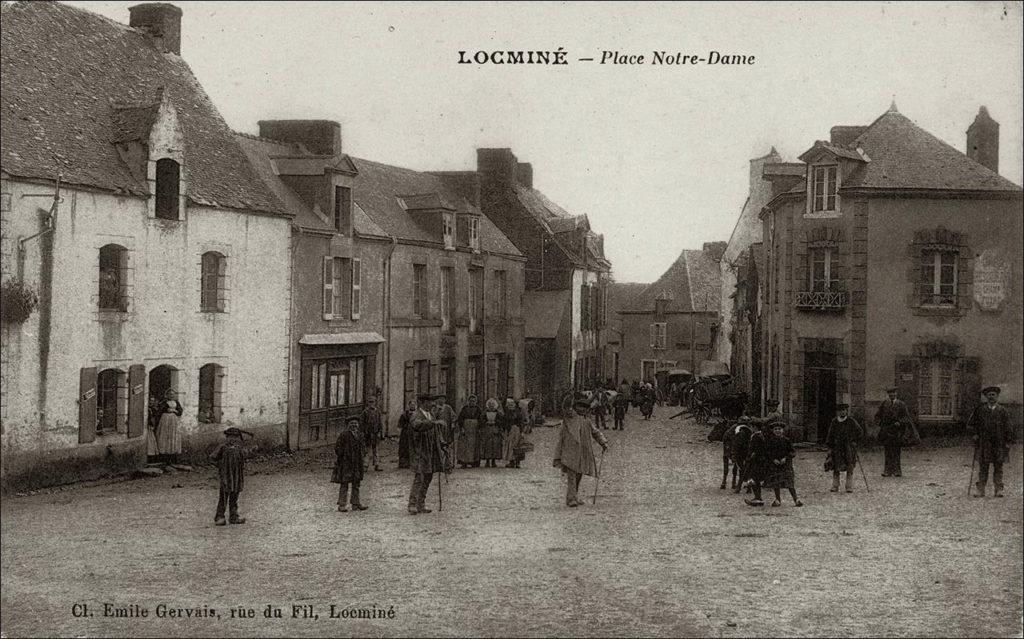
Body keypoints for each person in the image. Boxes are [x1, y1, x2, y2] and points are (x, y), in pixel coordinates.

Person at [552, 397, 608, 507]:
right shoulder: (569, 418)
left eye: (585, 408)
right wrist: (568, 398)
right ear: (576, 407)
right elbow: (565, 408)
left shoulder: (586, 421)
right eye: (580, 407)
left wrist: (603, 443)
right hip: (570, 451)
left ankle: (574, 496)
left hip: (582, 452)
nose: (583, 409)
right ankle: (571, 498)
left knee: (578, 475)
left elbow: (595, 432)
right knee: (572, 475)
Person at [407, 394, 450, 515]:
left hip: (432, 451)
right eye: (430, 402)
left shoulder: (431, 415)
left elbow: (436, 433)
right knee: (419, 477)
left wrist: (443, 444)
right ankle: (412, 504)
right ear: (422, 403)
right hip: (420, 451)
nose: (432, 404)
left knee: (428, 477)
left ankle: (421, 504)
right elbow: (417, 425)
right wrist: (433, 423)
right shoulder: (416, 415)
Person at [968, 385, 1013, 498]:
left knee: (998, 467)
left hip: (999, 443)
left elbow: (1009, 427)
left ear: (997, 396)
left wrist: (1008, 441)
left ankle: (998, 490)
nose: (991, 397)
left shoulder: (1003, 411)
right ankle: (980, 490)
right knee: (983, 467)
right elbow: (970, 425)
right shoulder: (980, 410)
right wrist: (975, 434)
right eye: (989, 395)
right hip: (984, 443)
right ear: (986, 397)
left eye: (993, 395)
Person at [210, 427, 246, 525]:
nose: (233, 439)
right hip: (226, 476)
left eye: (235, 437)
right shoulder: (223, 447)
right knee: (224, 497)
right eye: (230, 437)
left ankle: (233, 516)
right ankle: (219, 517)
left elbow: (244, 459)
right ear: (227, 437)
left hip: (237, 476)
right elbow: (212, 458)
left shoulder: (239, 448)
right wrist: (220, 466)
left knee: (234, 497)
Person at [825, 403, 863, 493]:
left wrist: (855, 441)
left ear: (846, 411)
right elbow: (830, 435)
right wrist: (830, 447)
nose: (842, 412)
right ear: (838, 412)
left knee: (849, 465)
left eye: (844, 410)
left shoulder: (851, 421)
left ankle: (849, 486)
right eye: (840, 411)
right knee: (836, 466)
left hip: (848, 447)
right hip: (837, 447)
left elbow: (860, 432)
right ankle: (835, 485)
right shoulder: (834, 422)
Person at [332, 416, 368, 512]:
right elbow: (337, 448)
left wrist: (363, 456)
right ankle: (342, 504)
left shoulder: (360, 435)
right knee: (344, 484)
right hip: (346, 464)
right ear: (348, 425)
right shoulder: (344, 435)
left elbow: (364, 448)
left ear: (358, 425)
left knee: (356, 483)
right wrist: (343, 456)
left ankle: (355, 504)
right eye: (351, 423)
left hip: (357, 463)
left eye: (355, 423)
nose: (354, 425)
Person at [763, 422, 803, 507]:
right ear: (773, 431)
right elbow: (767, 452)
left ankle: (796, 499)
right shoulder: (770, 441)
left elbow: (793, 452)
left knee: (789, 482)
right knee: (776, 482)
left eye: (779, 429)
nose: (778, 431)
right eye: (775, 429)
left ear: (783, 430)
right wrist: (773, 459)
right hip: (775, 465)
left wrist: (786, 458)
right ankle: (778, 499)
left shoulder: (786, 440)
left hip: (786, 465)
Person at [875, 386, 911, 478]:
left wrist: (900, 422)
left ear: (896, 394)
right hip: (887, 431)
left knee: (896, 451)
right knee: (887, 451)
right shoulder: (884, 404)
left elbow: (906, 417)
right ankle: (887, 470)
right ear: (888, 394)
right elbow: (877, 416)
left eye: (893, 393)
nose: (892, 395)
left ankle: (897, 471)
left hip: (897, 431)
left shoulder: (901, 404)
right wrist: (880, 424)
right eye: (890, 393)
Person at [743, 420, 771, 506]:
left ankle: (758, 497)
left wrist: (751, 456)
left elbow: (757, 450)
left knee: (753, 479)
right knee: (755, 479)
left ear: (755, 427)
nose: (751, 428)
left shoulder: (756, 436)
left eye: (752, 427)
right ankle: (757, 497)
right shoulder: (760, 435)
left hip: (756, 462)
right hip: (758, 461)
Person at [155, 389, 183, 466]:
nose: (172, 396)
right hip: (165, 420)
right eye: (170, 394)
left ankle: (172, 456)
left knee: (173, 436)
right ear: (167, 395)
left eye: (173, 394)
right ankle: (164, 457)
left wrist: (175, 411)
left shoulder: (176, 402)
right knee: (165, 436)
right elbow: (160, 410)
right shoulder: (164, 402)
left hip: (174, 421)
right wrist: (166, 409)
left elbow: (180, 411)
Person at [456, 395, 483, 468]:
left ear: (476, 402)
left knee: (474, 445)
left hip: (475, 430)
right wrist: (462, 428)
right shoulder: (464, 409)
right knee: (464, 445)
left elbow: (481, 419)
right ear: (468, 401)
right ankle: (464, 462)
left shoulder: (478, 409)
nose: (472, 402)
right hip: (466, 428)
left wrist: (479, 428)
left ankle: (474, 462)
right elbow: (460, 419)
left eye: (473, 401)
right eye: (470, 401)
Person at [480, 398, 505, 468]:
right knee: (487, 445)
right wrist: (485, 422)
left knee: (495, 445)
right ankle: (487, 461)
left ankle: (493, 461)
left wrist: (496, 423)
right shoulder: (485, 413)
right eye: (490, 405)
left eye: (493, 405)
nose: (491, 406)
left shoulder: (498, 413)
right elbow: (481, 420)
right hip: (487, 429)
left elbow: (502, 421)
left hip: (495, 429)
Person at [361, 395, 383, 472]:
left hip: (375, 433)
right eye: (370, 402)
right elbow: (362, 423)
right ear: (368, 403)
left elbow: (380, 423)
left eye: (373, 402)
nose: (371, 404)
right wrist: (363, 433)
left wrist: (380, 433)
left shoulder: (378, 412)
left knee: (376, 450)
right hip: (368, 434)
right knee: (367, 450)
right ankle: (365, 465)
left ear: (375, 402)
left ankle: (377, 464)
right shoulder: (365, 412)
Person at [503, 397, 526, 468]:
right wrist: (505, 431)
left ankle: (518, 462)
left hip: (516, 430)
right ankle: (511, 461)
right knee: (510, 446)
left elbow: (521, 422)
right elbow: (505, 423)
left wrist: (522, 432)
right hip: (510, 431)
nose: (511, 406)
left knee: (517, 446)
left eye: (512, 404)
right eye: (509, 405)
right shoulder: (507, 413)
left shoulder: (518, 413)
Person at [396, 400, 416, 469]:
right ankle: (403, 463)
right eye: (411, 405)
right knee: (404, 448)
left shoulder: (417, 414)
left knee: (413, 448)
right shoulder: (404, 414)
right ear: (409, 405)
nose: (412, 406)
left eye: (413, 405)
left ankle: (412, 463)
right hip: (405, 434)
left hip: (414, 433)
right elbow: (399, 424)